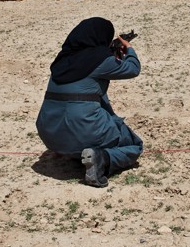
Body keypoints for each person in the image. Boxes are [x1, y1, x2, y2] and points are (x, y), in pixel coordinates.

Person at [35, 17, 142, 187]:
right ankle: (102, 159)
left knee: (86, 100)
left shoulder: (61, 60)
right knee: (134, 145)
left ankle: (81, 153)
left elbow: (85, 82)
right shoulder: (102, 59)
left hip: (50, 135)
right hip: (84, 130)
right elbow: (133, 69)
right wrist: (129, 51)